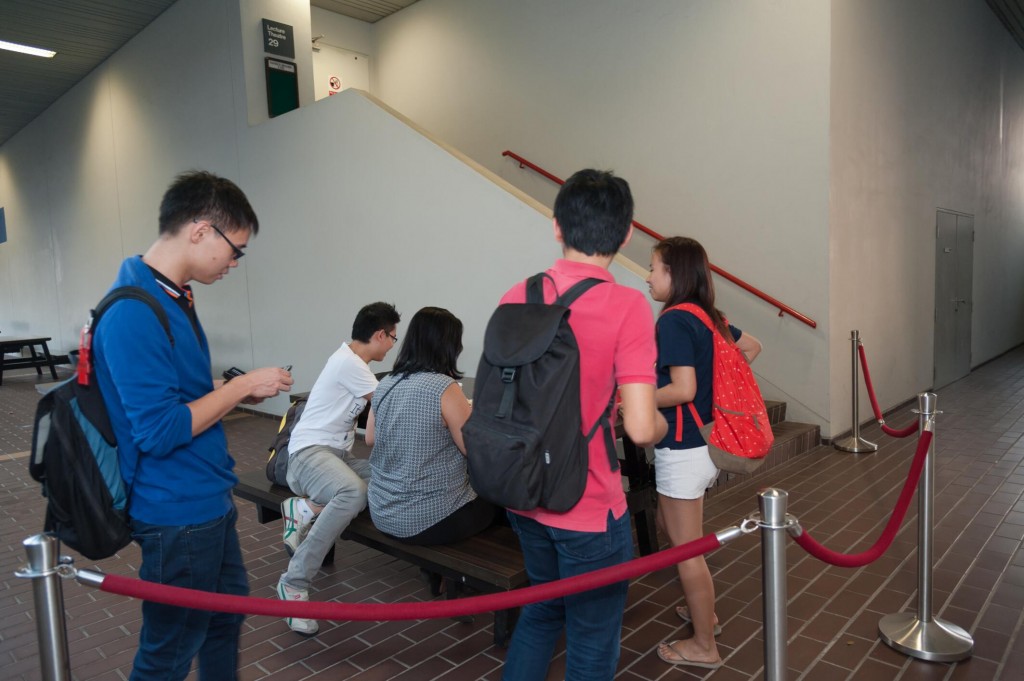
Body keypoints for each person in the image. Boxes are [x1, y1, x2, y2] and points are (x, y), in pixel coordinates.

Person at [92, 170, 293, 681]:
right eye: (236, 250)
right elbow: (157, 431)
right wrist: (240, 388)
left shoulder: (172, 295)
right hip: (176, 510)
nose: (234, 263)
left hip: (204, 496)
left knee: (224, 622)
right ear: (201, 230)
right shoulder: (135, 311)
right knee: (169, 652)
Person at [499, 169, 668, 681]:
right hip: (589, 506)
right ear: (626, 234)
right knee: (593, 639)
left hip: (524, 493)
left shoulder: (517, 294)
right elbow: (640, 429)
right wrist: (660, 422)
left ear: (556, 228)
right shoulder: (627, 306)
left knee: (542, 610)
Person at [646, 236, 762, 669]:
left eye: (654, 267)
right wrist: (721, 389)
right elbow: (752, 347)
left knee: (684, 549)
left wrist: (634, 400)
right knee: (669, 525)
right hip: (702, 444)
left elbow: (683, 389)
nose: (648, 276)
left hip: (682, 445)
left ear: (674, 273)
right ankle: (704, 613)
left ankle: (704, 644)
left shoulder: (674, 320)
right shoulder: (709, 316)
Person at [276, 301, 400, 635]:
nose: (392, 345)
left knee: (389, 479)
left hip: (334, 458)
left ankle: (305, 509)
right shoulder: (351, 364)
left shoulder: (353, 362)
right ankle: (294, 582)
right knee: (353, 491)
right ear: (378, 334)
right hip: (306, 455)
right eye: (392, 337)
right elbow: (391, 407)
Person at [365, 306, 497, 546]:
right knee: (500, 500)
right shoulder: (444, 388)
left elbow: (370, 439)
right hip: (428, 518)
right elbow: (474, 449)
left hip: (382, 510)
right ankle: (461, 579)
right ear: (447, 346)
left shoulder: (385, 383)